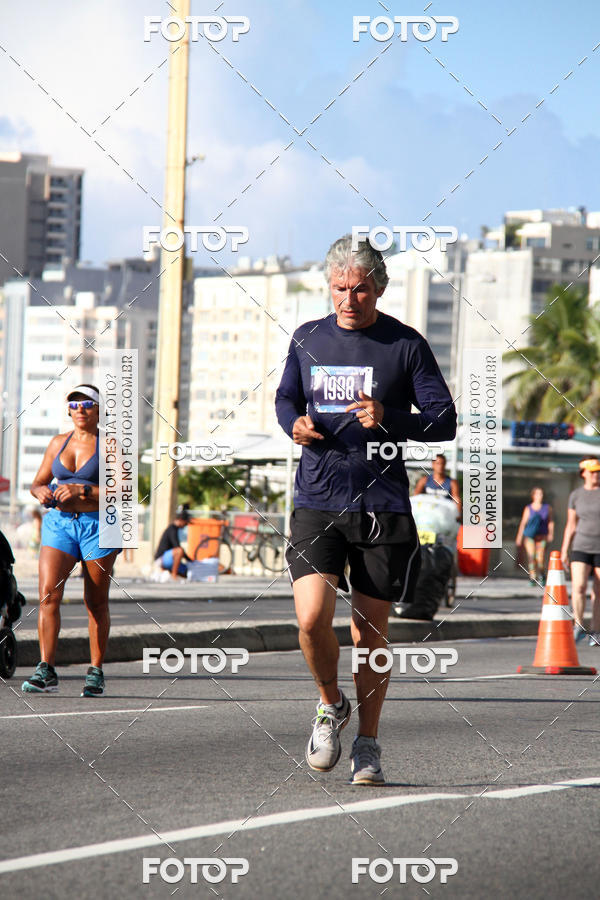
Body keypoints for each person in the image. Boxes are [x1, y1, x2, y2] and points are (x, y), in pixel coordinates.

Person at [275, 234, 456, 784]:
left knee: (369, 634)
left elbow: (443, 420)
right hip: (317, 499)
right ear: (328, 288)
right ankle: (330, 704)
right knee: (310, 620)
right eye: (338, 289)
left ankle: (369, 744)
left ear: (377, 288)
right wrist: (295, 425)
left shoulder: (405, 344)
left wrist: (391, 417)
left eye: (359, 290)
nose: (348, 300)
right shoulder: (307, 338)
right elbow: (286, 398)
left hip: (382, 507)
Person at [22, 384, 119, 696]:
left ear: (99, 409)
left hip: (98, 526)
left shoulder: (111, 445)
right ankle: (46, 669)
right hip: (60, 525)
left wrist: (82, 490)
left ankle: (95, 671)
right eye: (74, 405)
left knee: (96, 601)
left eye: (87, 404)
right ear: (68, 410)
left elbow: (123, 492)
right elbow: (36, 483)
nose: (80, 410)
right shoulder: (57, 443)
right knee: (48, 595)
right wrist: (43, 492)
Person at [560, 457, 600, 646]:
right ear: (583, 473)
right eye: (592, 472)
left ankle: (596, 630)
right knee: (579, 587)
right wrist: (564, 550)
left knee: (598, 592)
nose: (596, 475)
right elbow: (571, 525)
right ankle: (579, 625)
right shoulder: (576, 495)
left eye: (598, 472)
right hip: (581, 546)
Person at [515, 487, 554, 585]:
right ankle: (533, 578)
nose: (540, 496)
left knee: (540, 558)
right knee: (531, 557)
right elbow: (524, 523)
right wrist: (519, 536)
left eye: (541, 494)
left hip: (542, 536)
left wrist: (550, 533)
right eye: (537, 494)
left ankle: (542, 574)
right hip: (530, 536)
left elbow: (551, 522)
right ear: (533, 496)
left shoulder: (547, 508)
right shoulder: (528, 508)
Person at [413, 453, 462, 519]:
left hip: (444, 516)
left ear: (445, 464)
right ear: (433, 465)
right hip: (427, 515)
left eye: (442, 463)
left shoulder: (452, 483)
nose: (440, 466)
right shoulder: (424, 480)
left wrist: (458, 515)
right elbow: (416, 497)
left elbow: (457, 500)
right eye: (438, 463)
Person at [154, 511, 192, 580]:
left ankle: (170, 572)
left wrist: (191, 561)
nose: (186, 525)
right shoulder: (172, 529)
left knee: (187, 572)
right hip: (161, 559)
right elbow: (177, 547)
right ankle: (173, 575)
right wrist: (189, 559)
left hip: (169, 559)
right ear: (181, 520)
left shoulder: (175, 529)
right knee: (179, 551)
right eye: (186, 523)